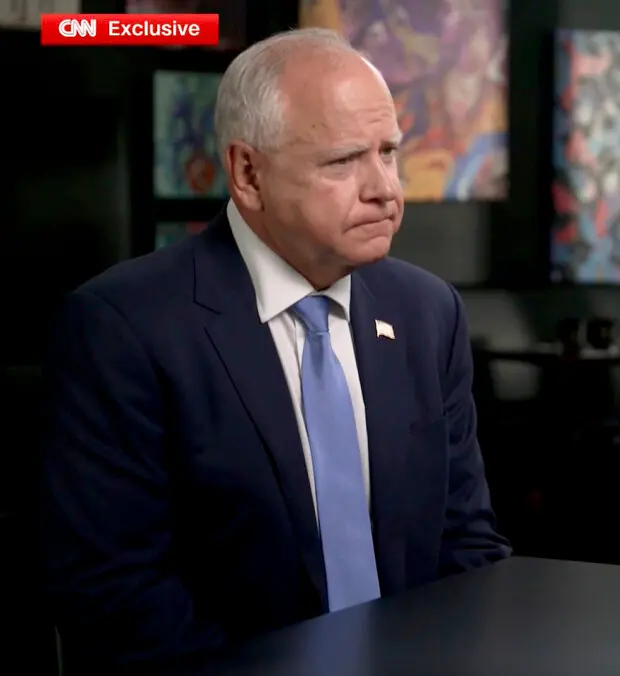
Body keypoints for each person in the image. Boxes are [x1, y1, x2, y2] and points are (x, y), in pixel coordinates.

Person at [41, 28, 511, 669]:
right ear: (247, 173)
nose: (384, 189)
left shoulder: (428, 313)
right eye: (344, 161)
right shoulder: (124, 328)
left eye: (389, 152)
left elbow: (466, 545)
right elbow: (118, 598)